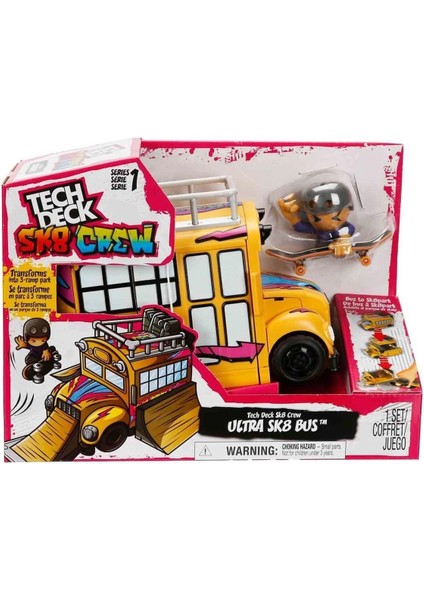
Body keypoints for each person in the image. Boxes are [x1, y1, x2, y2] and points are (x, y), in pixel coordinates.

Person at [278, 181, 355, 257]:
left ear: (348, 209)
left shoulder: (345, 229)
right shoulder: (318, 230)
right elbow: (301, 227)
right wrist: (292, 218)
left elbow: (347, 232)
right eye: (317, 219)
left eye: (334, 217)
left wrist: (343, 240)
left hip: (337, 255)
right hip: (318, 255)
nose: (326, 222)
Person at [15, 318, 61, 384]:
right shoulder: (30, 344)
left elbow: (45, 347)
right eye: (33, 341)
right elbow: (29, 346)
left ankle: (51, 357)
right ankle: (36, 363)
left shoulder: (44, 345)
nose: (38, 342)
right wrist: (24, 345)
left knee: (52, 348)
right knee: (28, 359)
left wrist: (46, 351)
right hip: (35, 356)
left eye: (43, 340)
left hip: (44, 355)